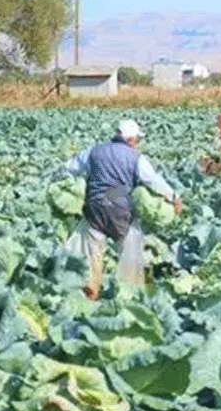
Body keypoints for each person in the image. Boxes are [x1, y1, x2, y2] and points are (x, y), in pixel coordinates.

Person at [60, 119, 183, 298]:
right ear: (131, 140)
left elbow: (69, 168)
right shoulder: (135, 157)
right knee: (131, 251)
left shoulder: (94, 150)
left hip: (95, 207)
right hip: (119, 208)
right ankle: (128, 294)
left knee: (91, 252)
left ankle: (90, 293)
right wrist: (174, 197)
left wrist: (68, 187)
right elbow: (152, 180)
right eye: (137, 140)